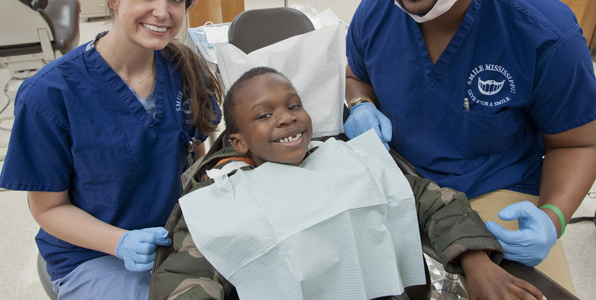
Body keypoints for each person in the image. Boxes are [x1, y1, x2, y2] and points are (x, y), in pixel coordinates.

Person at [344, 0, 596, 293]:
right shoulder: (373, 14)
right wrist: (360, 104)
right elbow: (357, 76)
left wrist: (553, 217)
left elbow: (579, 141)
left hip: (498, 199)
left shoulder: (543, 31)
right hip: (403, 190)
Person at [150, 66, 546, 300]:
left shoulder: (348, 158)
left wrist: (476, 262)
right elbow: (186, 278)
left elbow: (431, 200)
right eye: (263, 115)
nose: (286, 118)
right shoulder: (222, 196)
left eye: (293, 105)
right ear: (237, 142)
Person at [0, 0, 223, 299]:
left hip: (174, 237)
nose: (162, 12)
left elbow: (192, 156)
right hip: (92, 254)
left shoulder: (184, 70)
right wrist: (120, 242)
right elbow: (48, 209)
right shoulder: (49, 95)